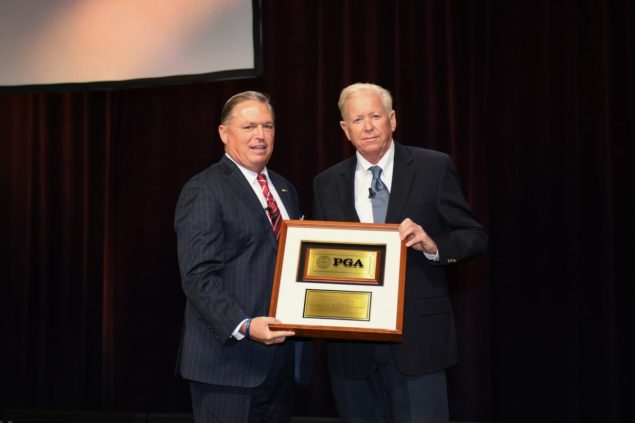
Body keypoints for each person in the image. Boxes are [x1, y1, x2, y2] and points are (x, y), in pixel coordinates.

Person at [312, 83, 487, 422]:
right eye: (358, 119)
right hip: (351, 349)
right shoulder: (326, 182)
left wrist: (435, 245)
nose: (368, 126)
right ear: (345, 130)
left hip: (418, 343)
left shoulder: (433, 167)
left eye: (376, 116)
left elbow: (474, 236)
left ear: (392, 120)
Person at [174, 91, 301, 423]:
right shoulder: (204, 189)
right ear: (223, 133)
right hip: (227, 366)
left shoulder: (285, 189)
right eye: (248, 126)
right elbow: (198, 276)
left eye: (267, 126)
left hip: (280, 363)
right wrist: (244, 325)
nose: (260, 135)